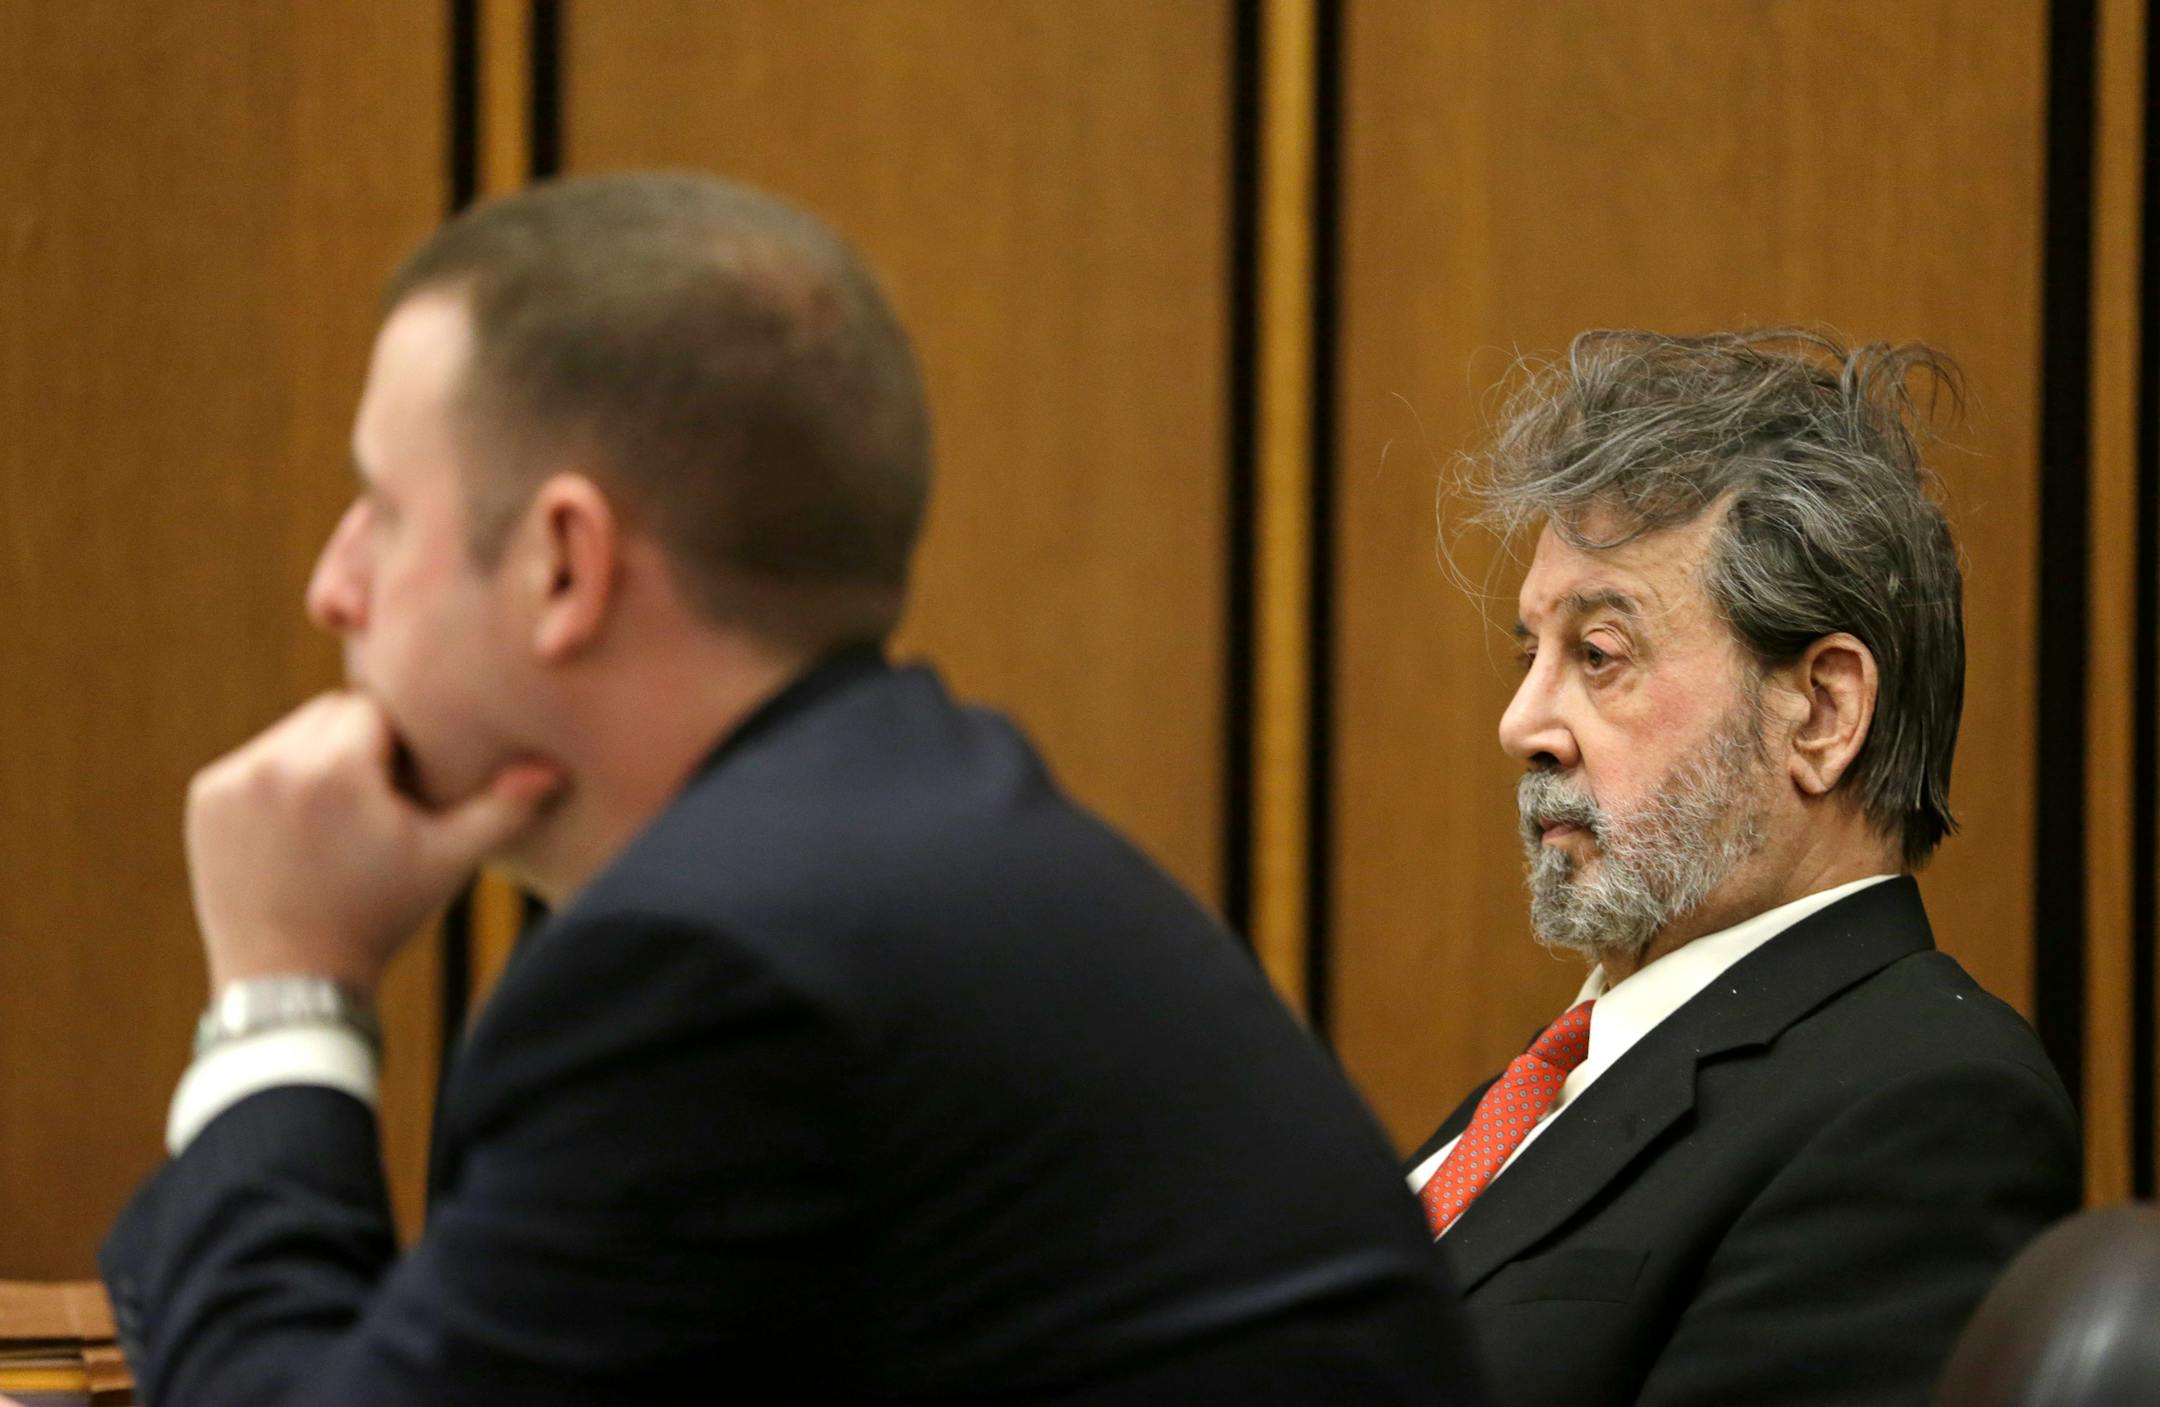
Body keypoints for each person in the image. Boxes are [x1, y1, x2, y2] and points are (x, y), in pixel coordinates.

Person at [100, 173, 1479, 1405]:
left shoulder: (717, 964)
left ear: (563, 564)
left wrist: (284, 991)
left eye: (384, 512)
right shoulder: (893, 842)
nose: (331, 584)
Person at [1404, 328, 2079, 1407]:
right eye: (1531, 653)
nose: (1522, 722)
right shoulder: (1558, 1081)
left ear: (1820, 710)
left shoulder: (1925, 1105)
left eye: (1600, 654)